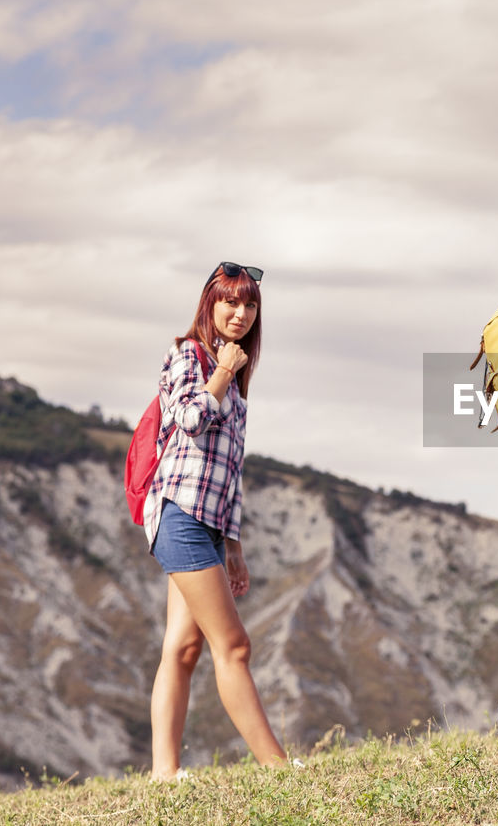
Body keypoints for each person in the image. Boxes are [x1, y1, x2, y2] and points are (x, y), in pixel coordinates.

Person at [144, 262, 290, 778]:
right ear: (210, 305)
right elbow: (188, 418)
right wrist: (223, 372)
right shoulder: (188, 355)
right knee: (234, 645)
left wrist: (234, 546)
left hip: (207, 524)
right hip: (177, 515)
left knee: (183, 649)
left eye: (250, 305)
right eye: (230, 302)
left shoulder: (238, 386)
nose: (240, 313)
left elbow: (230, 472)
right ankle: (277, 768)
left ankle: (164, 776)